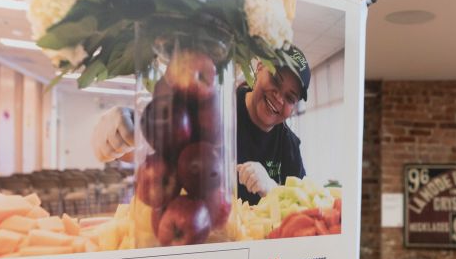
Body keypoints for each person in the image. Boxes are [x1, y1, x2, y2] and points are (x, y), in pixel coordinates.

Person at [91, 45, 310, 206]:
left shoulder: (289, 145)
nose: (279, 98)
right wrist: (124, 131)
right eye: (275, 80)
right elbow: (155, 144)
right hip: (203, 247)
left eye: (290, 98)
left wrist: (273, 189)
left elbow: (302, 207)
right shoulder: (213, 108)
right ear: (260, 67)